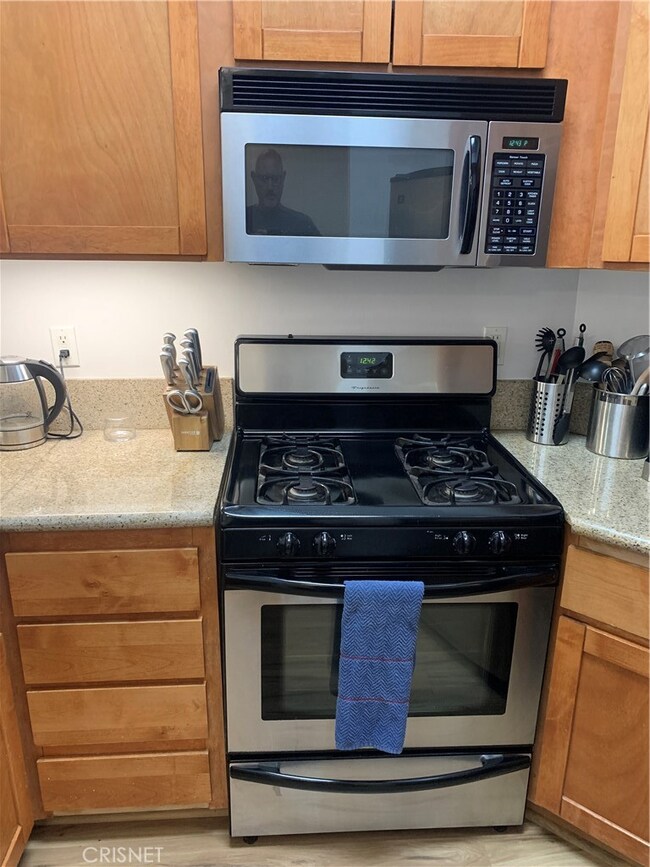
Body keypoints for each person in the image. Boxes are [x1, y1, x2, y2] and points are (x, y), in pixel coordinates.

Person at [246, 149, 320, 236]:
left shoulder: (302, 224)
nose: (270, 187)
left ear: (283, 179)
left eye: (275, 179)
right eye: (264, 179)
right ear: (254, 179)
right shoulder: (243, 219)